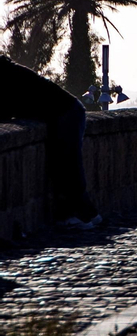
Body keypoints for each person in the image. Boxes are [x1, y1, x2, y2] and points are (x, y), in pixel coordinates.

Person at [0, 54, 93, 223]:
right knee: (64, 164)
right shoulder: (11, 72)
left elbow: (6, 108)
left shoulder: (8, 76)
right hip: (66, 112)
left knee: (68, 164)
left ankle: (83, 215)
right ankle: (82, 215)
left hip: (66, 113)